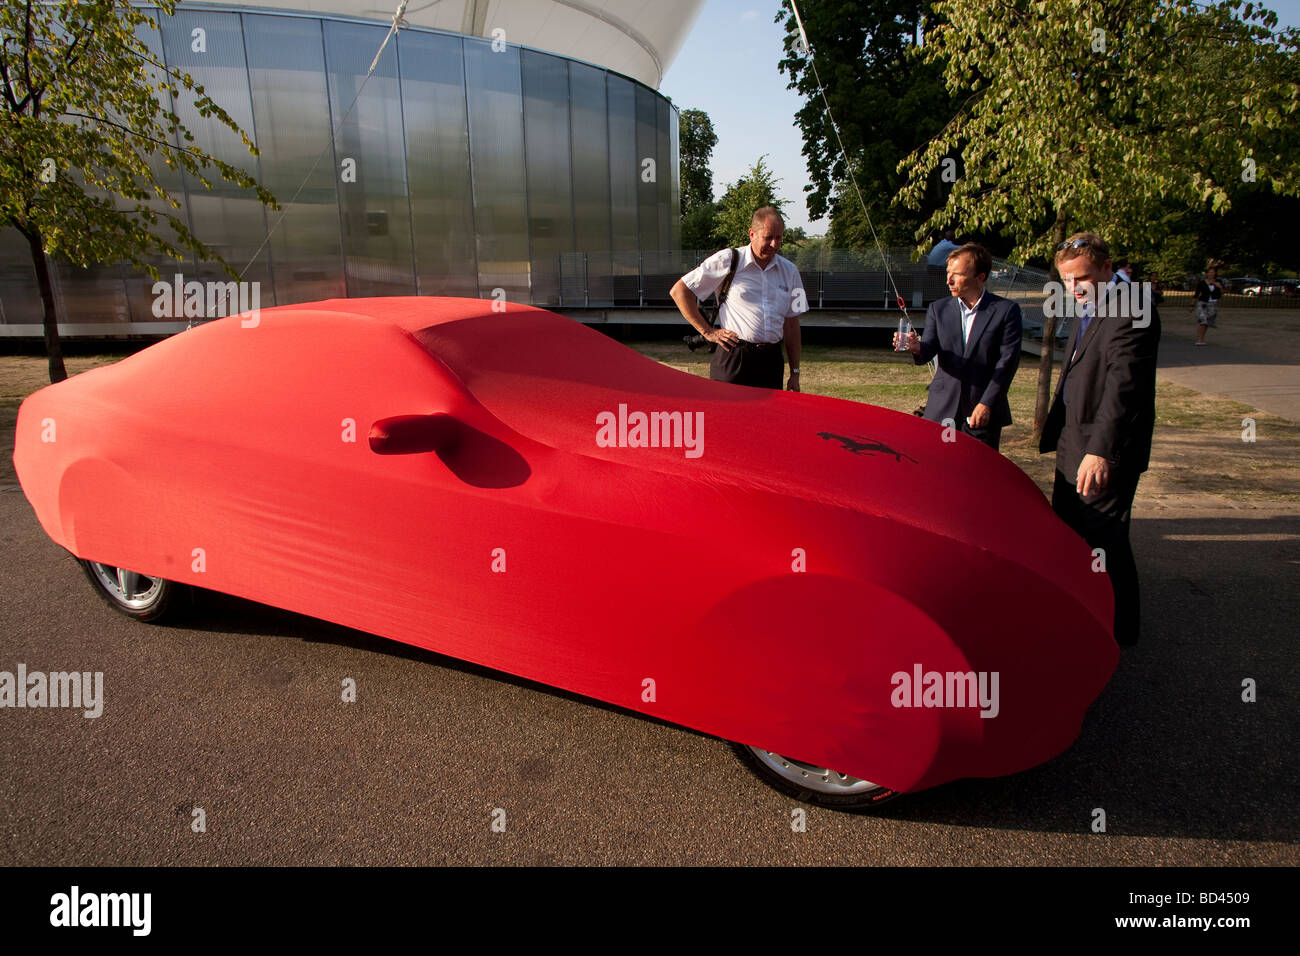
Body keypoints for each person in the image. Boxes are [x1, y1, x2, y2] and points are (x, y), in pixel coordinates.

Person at [1039, 232, 1161, 646]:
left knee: (1104, 539)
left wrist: (1100, 452)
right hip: (1074, 439)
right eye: (1068, 281)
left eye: (1084, 279)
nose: (1075, 289)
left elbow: (1124, 388)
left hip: (1102, 448)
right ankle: (1080, 615)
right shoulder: (1093, 301)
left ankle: (1119, 631)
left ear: (1108, 268)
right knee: (1070, 534)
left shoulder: (1133, 309)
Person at [896, 242, 1022, 450]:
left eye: (957, 274)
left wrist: (986, 403)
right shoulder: (939, 309)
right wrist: (915, 347)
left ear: (980, 277)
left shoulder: (1006, 311)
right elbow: (928, 349)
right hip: (942, 409)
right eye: (948, 273)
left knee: (977, 473)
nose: (949, 280)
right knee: (939, 470)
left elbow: (1007, 363)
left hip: (981, 413)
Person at [670, 207, 806, 390]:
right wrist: (708, 332)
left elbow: (792, 324)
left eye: (779, 238)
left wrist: (795, 373)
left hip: (771, 362)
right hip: (734, 358)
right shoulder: (729, 260)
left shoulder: (790, 271)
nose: (774, 244)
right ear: (752, 234)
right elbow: (679, 291)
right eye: (768, 237)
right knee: (728, 417)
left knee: (766, 418)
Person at [1192, 267, 1223, 346]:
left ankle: (1202, 338)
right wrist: (1192, 304)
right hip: (1203, 303)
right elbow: (1196, 294)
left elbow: (1222, 293)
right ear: (1207, 273)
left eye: (1213, 272)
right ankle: (1199, 339)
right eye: (1209, 272)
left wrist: (1219, 286)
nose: (1211, 274)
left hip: (1212, 303)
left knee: (1207, 322)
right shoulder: (1202, 283)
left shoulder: (1218, 282)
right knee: (1203, 321)